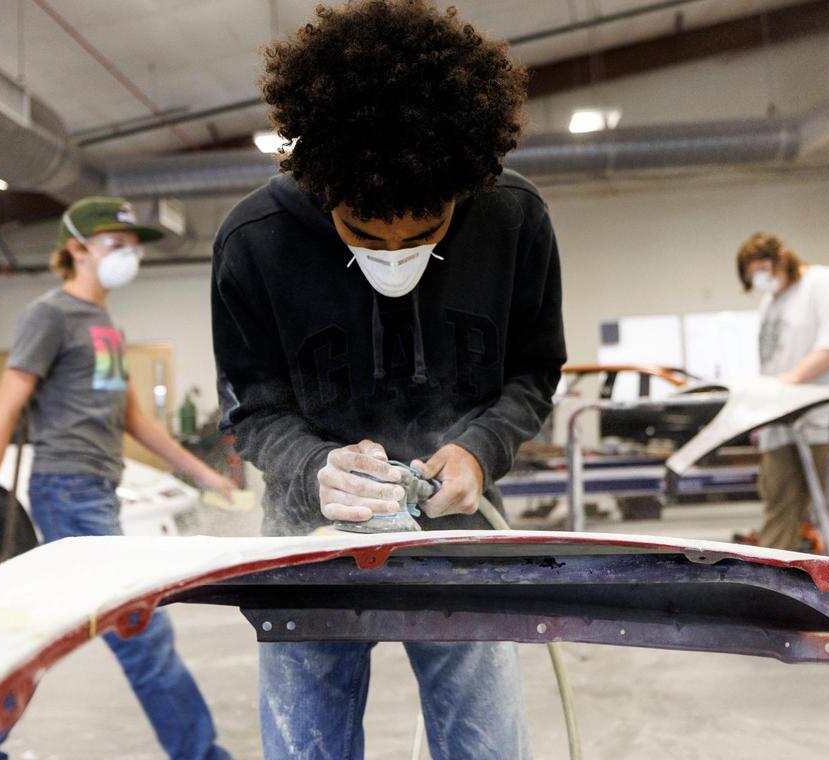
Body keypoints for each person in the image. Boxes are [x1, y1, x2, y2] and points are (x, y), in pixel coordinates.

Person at [211, 2, 565, 757]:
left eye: (426, 230)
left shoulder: (512, 220)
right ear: (320, 183)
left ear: (464, 186)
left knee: (487, 746)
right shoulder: (254, 244)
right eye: (364, 233)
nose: (395, 253)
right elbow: (251, 410)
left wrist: (478, 451)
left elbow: (534, 373)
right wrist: (315, 470)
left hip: (459, 538)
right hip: (308, 544)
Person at [0, 197, 235, 760]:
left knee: (49, 636)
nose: (128, 254)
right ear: (76, 248)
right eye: (114, 244)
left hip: (94, 495)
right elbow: (3, 412)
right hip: (67, 492)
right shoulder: (49, 315)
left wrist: (206, 476)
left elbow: (134, 419)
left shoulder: (105, 325)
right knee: (141, 634)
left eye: (132, 245)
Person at [736, 232, 829, 565]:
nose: (761, 280)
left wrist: (788, 382)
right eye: (753, 277)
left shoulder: (827, 284)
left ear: (781, 257)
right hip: (784, 425)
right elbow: (771, 361)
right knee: (779, 514)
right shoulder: (770, 303)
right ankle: (770, 604)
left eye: (762, 269)